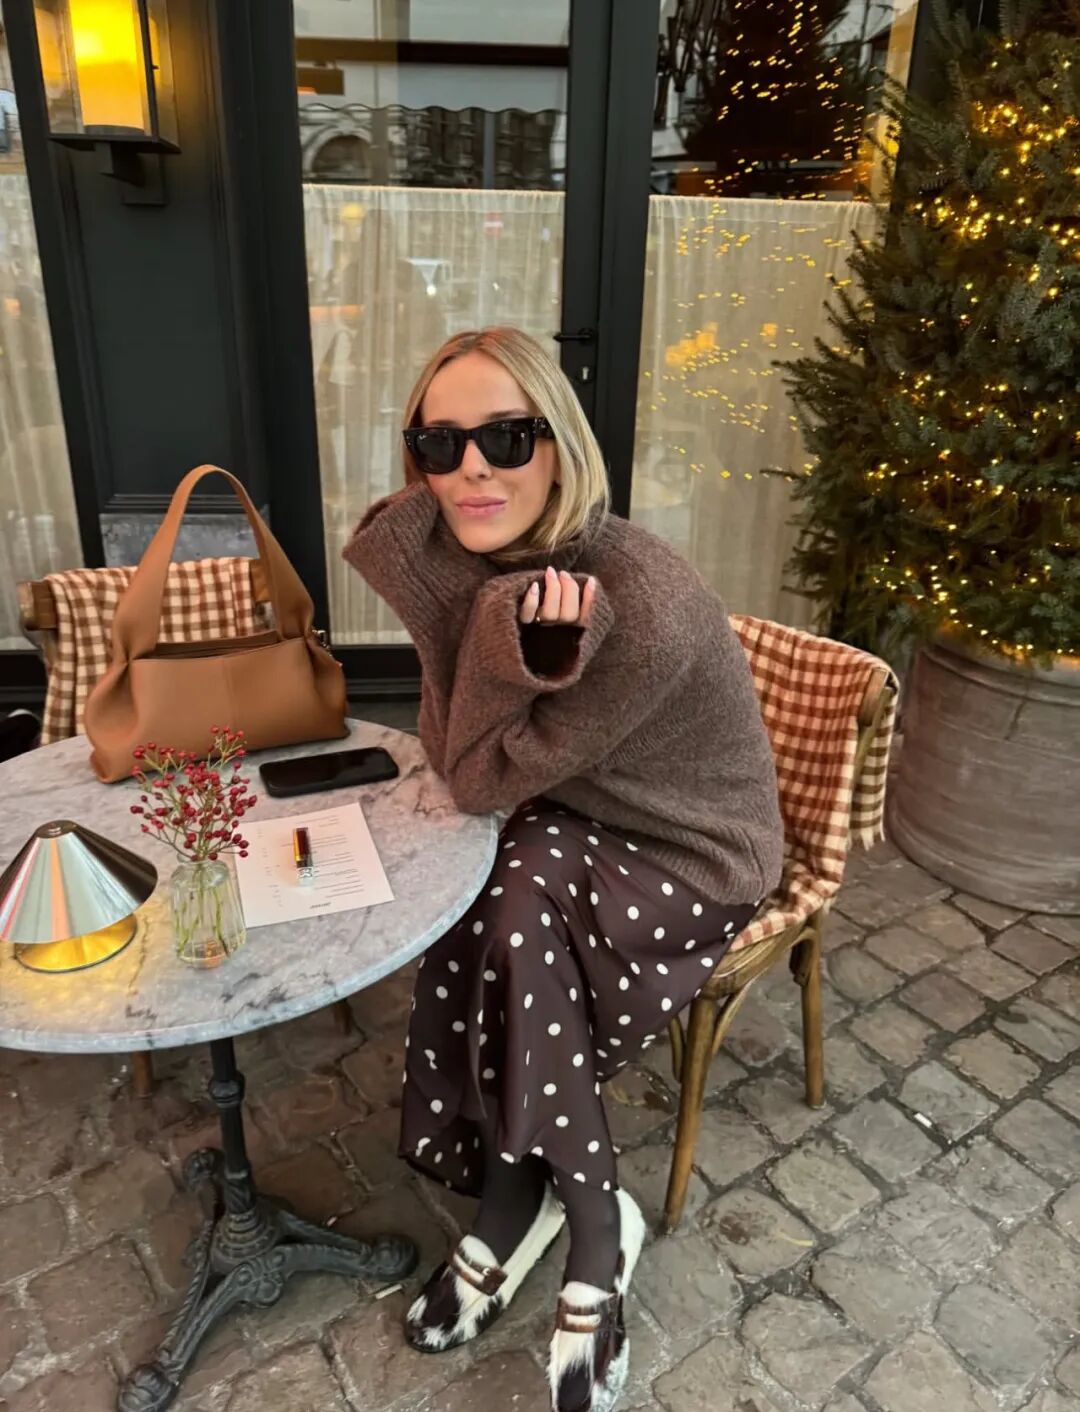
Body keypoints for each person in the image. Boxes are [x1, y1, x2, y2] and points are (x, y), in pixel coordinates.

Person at [343, 327, 783, 1412]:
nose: (470, 469)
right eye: (438, 445)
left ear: (560, 445)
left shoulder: (637, 604)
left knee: (511, 886)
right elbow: (461, 753)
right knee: (483, 892)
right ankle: (538, 1199)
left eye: (505, 436)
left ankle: (575, 1220)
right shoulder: (506, 563)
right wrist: (458, 610)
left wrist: (480, 632)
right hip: (580, 813)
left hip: (696, 849)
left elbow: (472, 776)